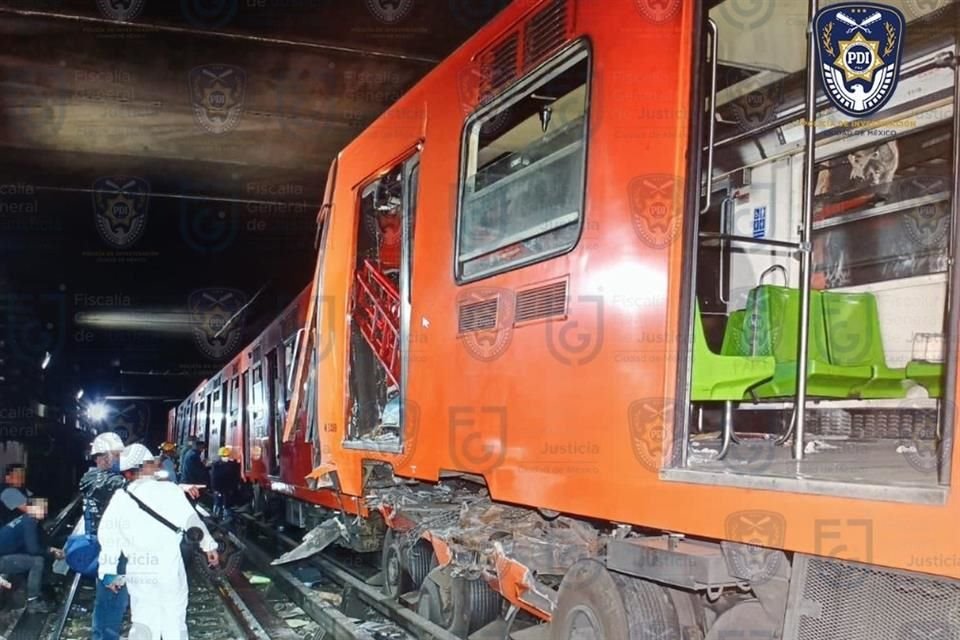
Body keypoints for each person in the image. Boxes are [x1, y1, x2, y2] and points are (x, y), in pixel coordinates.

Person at [98, 444, 219, 640]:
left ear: (128, 472)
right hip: (169, 566)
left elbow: (109, 536)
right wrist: (209, 546)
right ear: (147, 466)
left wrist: (108, 570)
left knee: (144, 621)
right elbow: (192, 521)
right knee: (174, 620)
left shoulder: (121, 499)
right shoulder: (170, 491)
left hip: (139, 568)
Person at [79, 432, 129, 640]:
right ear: (105, 456)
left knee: (108, 597)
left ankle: (104, 635)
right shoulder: (98, 479)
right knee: (114, 597)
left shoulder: (96, 477)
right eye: (117, 455)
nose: (120, 459)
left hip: (111, 548)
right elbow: (113, 485)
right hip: (112, 550)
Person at [0, 466, 60, 614]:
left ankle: (40, 588)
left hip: (9, 549)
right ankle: (33, 602)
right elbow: (33, 549)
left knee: (36, 555)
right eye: (16, 475)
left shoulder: (26, 515)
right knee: (37, 560)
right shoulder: (10, 495)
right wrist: (50, 552)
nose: (21, 478)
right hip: (3, 557)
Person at [209, 447, 240, 523]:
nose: (226, 457)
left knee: (225, 505)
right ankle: (216, 520)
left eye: (226, 456)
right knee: (219, 505)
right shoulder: (217, 466)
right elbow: (214, 479)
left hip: (226, 489)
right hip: (220, 489)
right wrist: (215, 490)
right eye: (224, 456)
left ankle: (224, 521)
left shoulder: (229, 465)